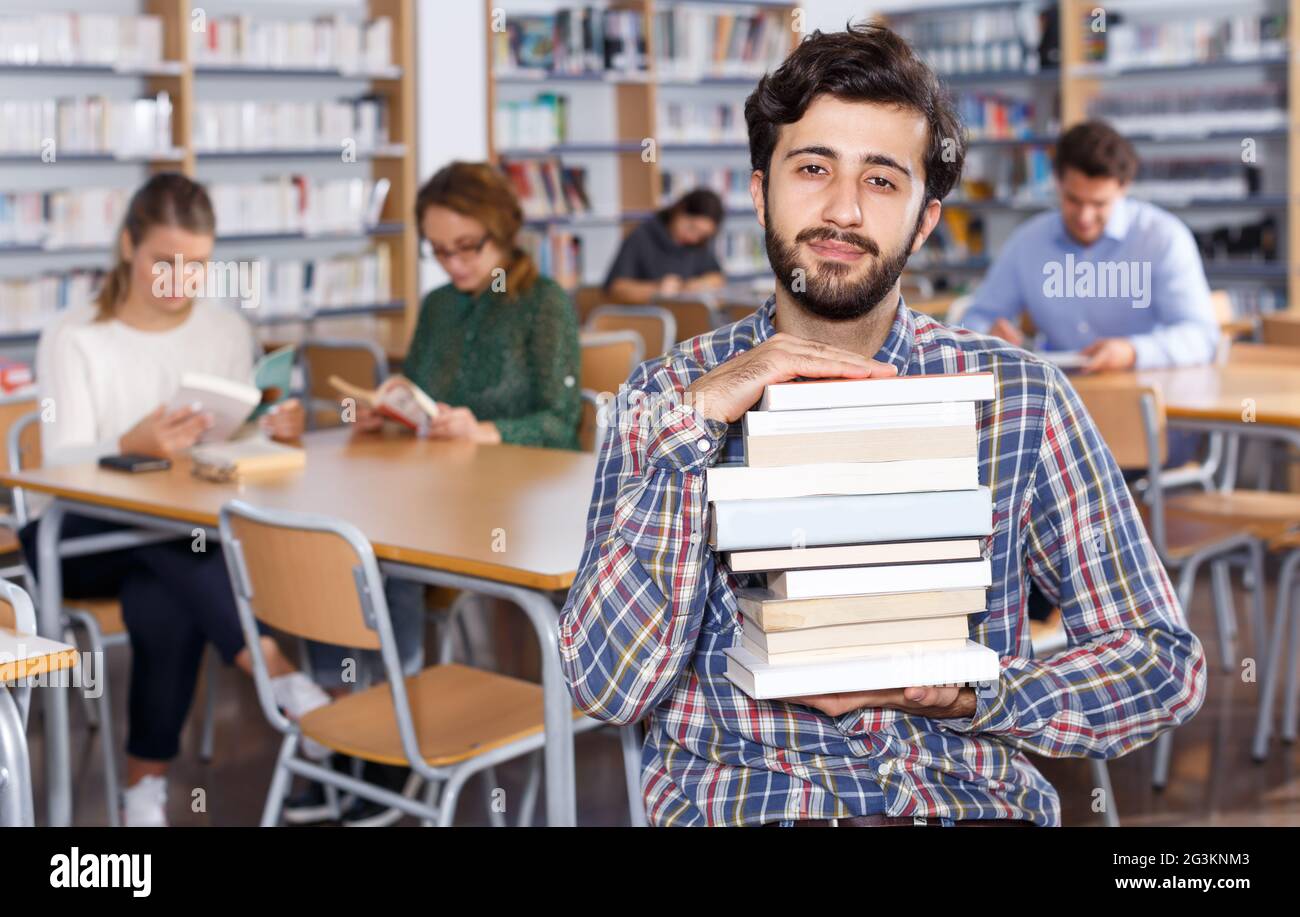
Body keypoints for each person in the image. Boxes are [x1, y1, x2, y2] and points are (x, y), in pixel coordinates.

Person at [560, 24, 1206, 827]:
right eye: (813, 168)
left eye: (882, 181)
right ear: (761, 191)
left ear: (925, 220)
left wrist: (976, 695)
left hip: (960, 803)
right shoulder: (665, 394)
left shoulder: (1020, 397)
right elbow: (604, 685)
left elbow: (1161, 663)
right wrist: (693, 432)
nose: (842, 209)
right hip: (746, 805)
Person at [21, 173, 331, 827]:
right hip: (77, 535)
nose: (178, 281)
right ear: (128, 245)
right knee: (173, 544)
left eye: (196, 266)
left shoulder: (224, 328)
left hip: (180, 536)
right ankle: (276, 669)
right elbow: (57, 464)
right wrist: (129, 442)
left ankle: (142, 794)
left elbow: (236, 433)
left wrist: (269, 427)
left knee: (164, 594)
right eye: (164, 261)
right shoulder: (74, 335)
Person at [289, 161, 583, 825]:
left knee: (379, 564)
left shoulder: (544, 304)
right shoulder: (440, 306)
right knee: (347, 550)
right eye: (439, 250)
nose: (452, 264)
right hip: (428, 488)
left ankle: (386, 744)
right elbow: (415, 390)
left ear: (503, 231)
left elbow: (560, 424)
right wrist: (387, 412)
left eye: (467, 248)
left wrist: (484, 429)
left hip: (509, 505)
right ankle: (355, 727)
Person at [959, 120, 1219, 373]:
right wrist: (988, 336)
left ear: (1123, 188)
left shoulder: (1163, 238)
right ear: (1058, 183)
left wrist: (1132, 351)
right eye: (1073, 200)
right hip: (1059, 396)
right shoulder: (1028, 242)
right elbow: (973, 319)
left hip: (1140, 388)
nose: (1084, 217)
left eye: (1099, 204)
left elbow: (1201, 336)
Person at [604, 189, 727, 303]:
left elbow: (717, 277)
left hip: (687, 316)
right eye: (691, 228)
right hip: (651, 319)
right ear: (679, 210)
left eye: (702, 235)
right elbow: (615, 290)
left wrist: (699, 285)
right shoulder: (642, 236)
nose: (693, 238)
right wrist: (656, 289)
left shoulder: (698, 243)